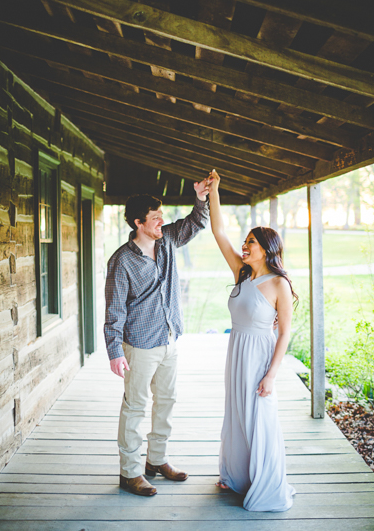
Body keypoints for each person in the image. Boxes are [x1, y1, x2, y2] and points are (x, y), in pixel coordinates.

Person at [105, 178, 211, 497]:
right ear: (139, 223)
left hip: (169, 338)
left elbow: (196, 222)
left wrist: (201, 198)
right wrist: (114, 351)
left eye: (161, 216)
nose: (161, 221)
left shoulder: (167, 240)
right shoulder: (122, 261)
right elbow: (114, 309)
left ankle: (157, 460)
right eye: (155, 217)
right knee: (135, 407)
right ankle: (130, 472)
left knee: (166, 401)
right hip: (139, 345)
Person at [204, 171, 297, 512]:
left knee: (261, 418)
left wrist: (271, 375)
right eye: (245, 243)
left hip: (260, 357)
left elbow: (285, 332)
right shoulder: (240, 273)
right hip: (236, 353)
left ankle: (265, 483)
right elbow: (218, 232)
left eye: (251, 244)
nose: (244, 247)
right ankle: (238, 476)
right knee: (238, 416)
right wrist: (214, 191)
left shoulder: (279, 284)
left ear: (266, 249)